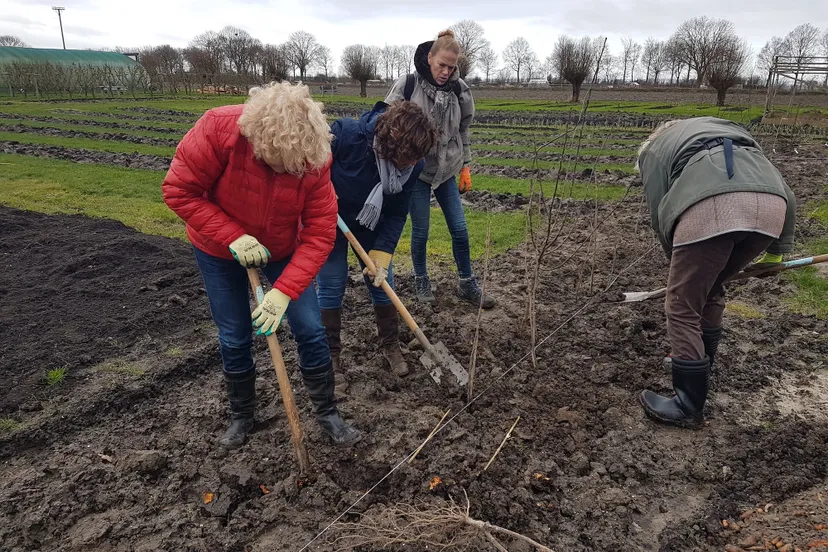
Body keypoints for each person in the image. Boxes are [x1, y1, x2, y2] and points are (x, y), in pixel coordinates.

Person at [162, 82, 361, 448]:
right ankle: (242, 417)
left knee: (310, 328)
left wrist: (283, 292)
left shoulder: (313, 159)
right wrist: (232, 236)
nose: (292, 172)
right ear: (260, 144)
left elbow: (319, 234)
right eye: (281, 165)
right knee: (235, 334)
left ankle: (328, 413)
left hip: (284, 247)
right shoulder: (219, 130)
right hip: (218, 249)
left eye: (297, 167)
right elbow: (178, 190)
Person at [635, 116, 796, 429]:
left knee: (681, 304)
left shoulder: (652, 152)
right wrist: (777, 252)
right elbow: (783, 188)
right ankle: (702, 363)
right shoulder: (733, 132)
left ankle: (687, 404)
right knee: (710, 287)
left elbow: (660, 210)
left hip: (712, 209)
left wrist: (678, 266)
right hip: (772, 210)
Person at [316, 101, 437, 379]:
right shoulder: (346, 136)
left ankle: (390, 345)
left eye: (414, 160)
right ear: (392, 143)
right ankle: (331, 353)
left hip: (371, 223)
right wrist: (320, 193)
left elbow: (396, 212)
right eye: (406, 159)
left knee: (383, 282)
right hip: (329, 219)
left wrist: (383, 252)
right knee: (331, 283)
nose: (410, 165)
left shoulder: (413, 164)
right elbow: (312, 167)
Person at [385, 30, 495, 309]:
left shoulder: (460, 90)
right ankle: (421, 278)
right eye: (441, 65)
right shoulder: (408, 85)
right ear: (429, 57)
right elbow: (385, 124)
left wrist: (466, 165)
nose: (446, 72)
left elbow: (463, 130)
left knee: (459, 229)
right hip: (417, 170)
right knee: (421, 230)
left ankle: (467, 283)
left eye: (451, 66)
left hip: (448, 167)